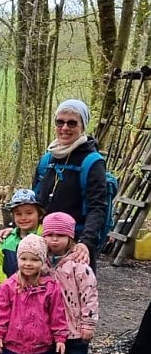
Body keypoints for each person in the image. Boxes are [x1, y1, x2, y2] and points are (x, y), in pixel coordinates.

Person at [33, 99, 109, 272]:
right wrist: (15, 230)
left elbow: (97, 208)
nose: (65, 128)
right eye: (60, 122)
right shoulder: (48, 159)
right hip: (43, 245)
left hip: (75, 247)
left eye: (72, 123)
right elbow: (33, 203)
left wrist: (85, 243)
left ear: (83, 126)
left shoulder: (91, 162)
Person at [39, 212, 99, 354]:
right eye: (50, 235)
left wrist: (88, 323)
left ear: (70, 238)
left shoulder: (79, 266)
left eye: (60, 235)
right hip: (49, 327)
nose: (54, 240)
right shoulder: (42, 263)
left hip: (73, 327)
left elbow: (89, 296)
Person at [0, 189, 43, 285]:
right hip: (12, 292)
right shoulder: (6, 240)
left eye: (29, 213)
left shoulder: (46, 238)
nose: (23, 217)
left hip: (40, 292)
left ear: (39, 214)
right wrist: (5, 284)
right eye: (18, 214)